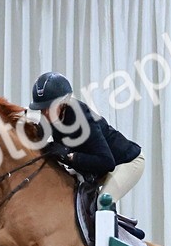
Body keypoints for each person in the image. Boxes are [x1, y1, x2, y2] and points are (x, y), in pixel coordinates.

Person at [28, 71, 145, 203]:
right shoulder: (49, 117)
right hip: (94, 167)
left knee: (103, 202)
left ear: (63, 102)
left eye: (50, 107)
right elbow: (37, 140)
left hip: (126, 162)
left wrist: (69, 156)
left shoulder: (81, 117)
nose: (46, 113)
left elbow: (107, 162)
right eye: (42, 109)